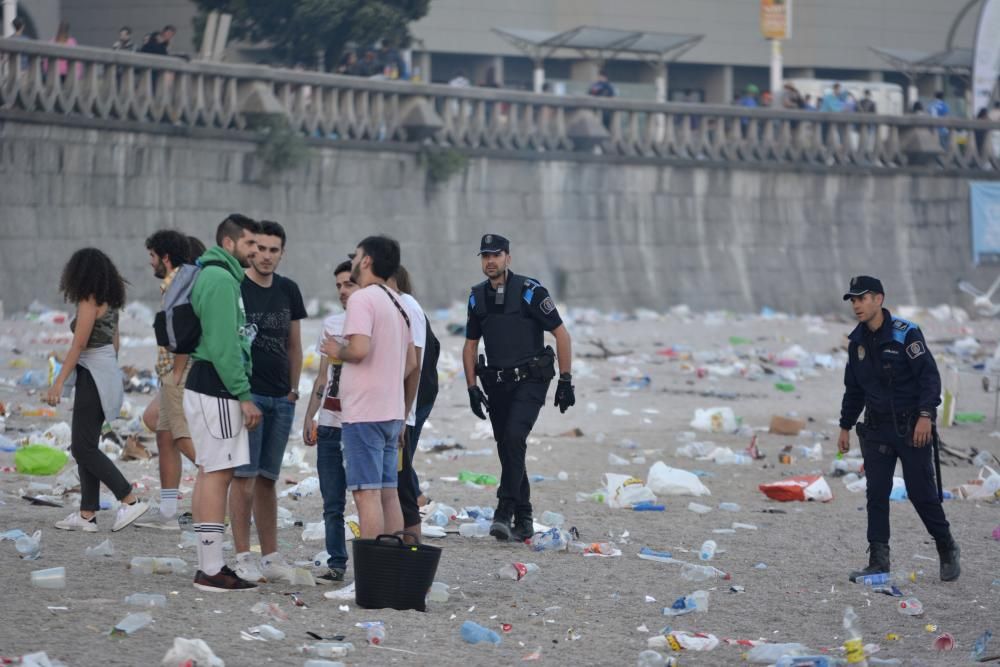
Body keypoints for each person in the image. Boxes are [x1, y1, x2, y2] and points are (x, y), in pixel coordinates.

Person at [838, 276, 960, 583]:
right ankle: (878, 561)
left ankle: (946, 547)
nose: (856, 305)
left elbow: (929, 378)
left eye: (861, 298)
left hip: (911, 427)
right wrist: (844, 426)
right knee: (876, 494)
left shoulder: (906, 334)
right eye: (852, 300)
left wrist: (925, 416)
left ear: (879, 298)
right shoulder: (857, 343)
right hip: (877, 429)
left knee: (921, 494)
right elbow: (854, 389)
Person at [463, 234, 575, 542]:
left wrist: (565, 380)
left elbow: (561, 335)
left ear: (508, 258)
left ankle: (504, 511)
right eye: (485, 256)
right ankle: (524, 520)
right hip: (497, 384)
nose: (490, 261)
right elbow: (470, 345)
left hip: (531, 380)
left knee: (514, 438)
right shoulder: (476, 297)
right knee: (508, 448)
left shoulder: (530, 292)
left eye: (496, 255)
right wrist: (472, 387)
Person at [184, 214, 263, 592]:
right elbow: (223, 345)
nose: (256, 251)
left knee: (208, 472)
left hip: (206, 385)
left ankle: (208, 564)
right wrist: (243, 395)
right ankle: (211, 570)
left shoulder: (216, 275)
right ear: (229, 243)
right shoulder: (218, 279)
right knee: (218, 473)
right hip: (216, 387)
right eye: (250, 244)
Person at [47, 249, 150, 532]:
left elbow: (78, 345)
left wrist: (58, 382)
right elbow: (114, 344)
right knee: (86, 445)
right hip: (102, 370)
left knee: (82, 446)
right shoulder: (110, 301)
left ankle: (129, 498)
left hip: (93, 372)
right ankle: (87, 514)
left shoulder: (89, 299)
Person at [322, 236, 417, 540]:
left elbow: (359, 349)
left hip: (364, 414)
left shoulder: (362, 298)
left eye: (357, 255)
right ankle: (390, 572)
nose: (353, 261)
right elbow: (412, 362)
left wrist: (338, 350)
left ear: (365, 260)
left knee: (366, 495)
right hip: (391, 413)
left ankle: (369, 580)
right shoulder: (399, 302)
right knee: (389, 494)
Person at [230, 221, 306, 584]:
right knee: (242, 479)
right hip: (249, 397)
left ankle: (271, 555)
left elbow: (295, 344)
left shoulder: (289, 289)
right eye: (259, 248)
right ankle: (242, 555)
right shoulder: (236, 286)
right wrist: (241, 395)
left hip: (282, 398)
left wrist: (293, 390)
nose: (266, 256)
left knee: (267, 481)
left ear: (282, 253)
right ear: (250, 249)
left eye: (273, 250)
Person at [136, 230, 197, 530]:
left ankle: (234, 483)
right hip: (169, 371)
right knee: (165, 437)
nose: (150, 263)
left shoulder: (178, 284)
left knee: (181, 438)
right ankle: (168, 514)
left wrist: (176, 372)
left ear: (165, 257)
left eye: (152, 256)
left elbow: (183, 332)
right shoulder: (174, 283)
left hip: (179, 370)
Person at [304, 261, 359, 583]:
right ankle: (337, 562)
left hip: (360, 423)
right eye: (338, 285)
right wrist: (311, 414)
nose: (342, 290)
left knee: (367, 495)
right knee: (332, 501)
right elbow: (323, 376)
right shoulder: (332, 324)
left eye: (348, 284)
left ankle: (370, 560)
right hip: (329, 422)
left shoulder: (372, 325)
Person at [387, 266, 426, 539]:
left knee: (401, 490)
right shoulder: (393, 304)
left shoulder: (408, 307)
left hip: (399, 415)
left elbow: (415, 364)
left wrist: (403, 415)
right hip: (388, 412)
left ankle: (411, 556)